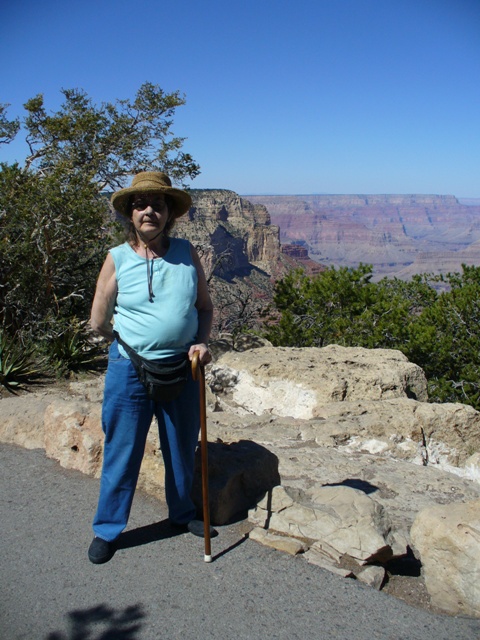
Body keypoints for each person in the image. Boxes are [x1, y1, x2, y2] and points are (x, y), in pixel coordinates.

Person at [88, 171, 213, 564]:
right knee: (123, 450)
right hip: (130, 370)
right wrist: (128, 344)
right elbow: (98, 321)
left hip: (183, 367)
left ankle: (182, 515)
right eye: (140, 204)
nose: (149, 212)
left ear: (168, 213)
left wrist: (202, 342)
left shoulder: (188, 252)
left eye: (158, 205)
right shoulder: (117, 258)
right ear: (130, 212)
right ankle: (107, 530)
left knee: (180, 448)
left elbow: (205, 308)